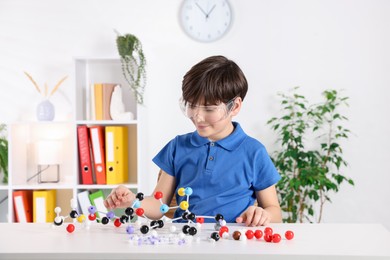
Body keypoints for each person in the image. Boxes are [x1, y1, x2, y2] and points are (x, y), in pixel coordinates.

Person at [104, 55, 282, 226]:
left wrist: (263, 214)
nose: (198, 116)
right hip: (188, 239)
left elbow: (274, 211)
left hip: (234, 241)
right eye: (192, 105)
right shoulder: (178, 147)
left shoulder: (254, 152)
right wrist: (133, 201)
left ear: (234, 106)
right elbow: (159, 206)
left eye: (209, 109)